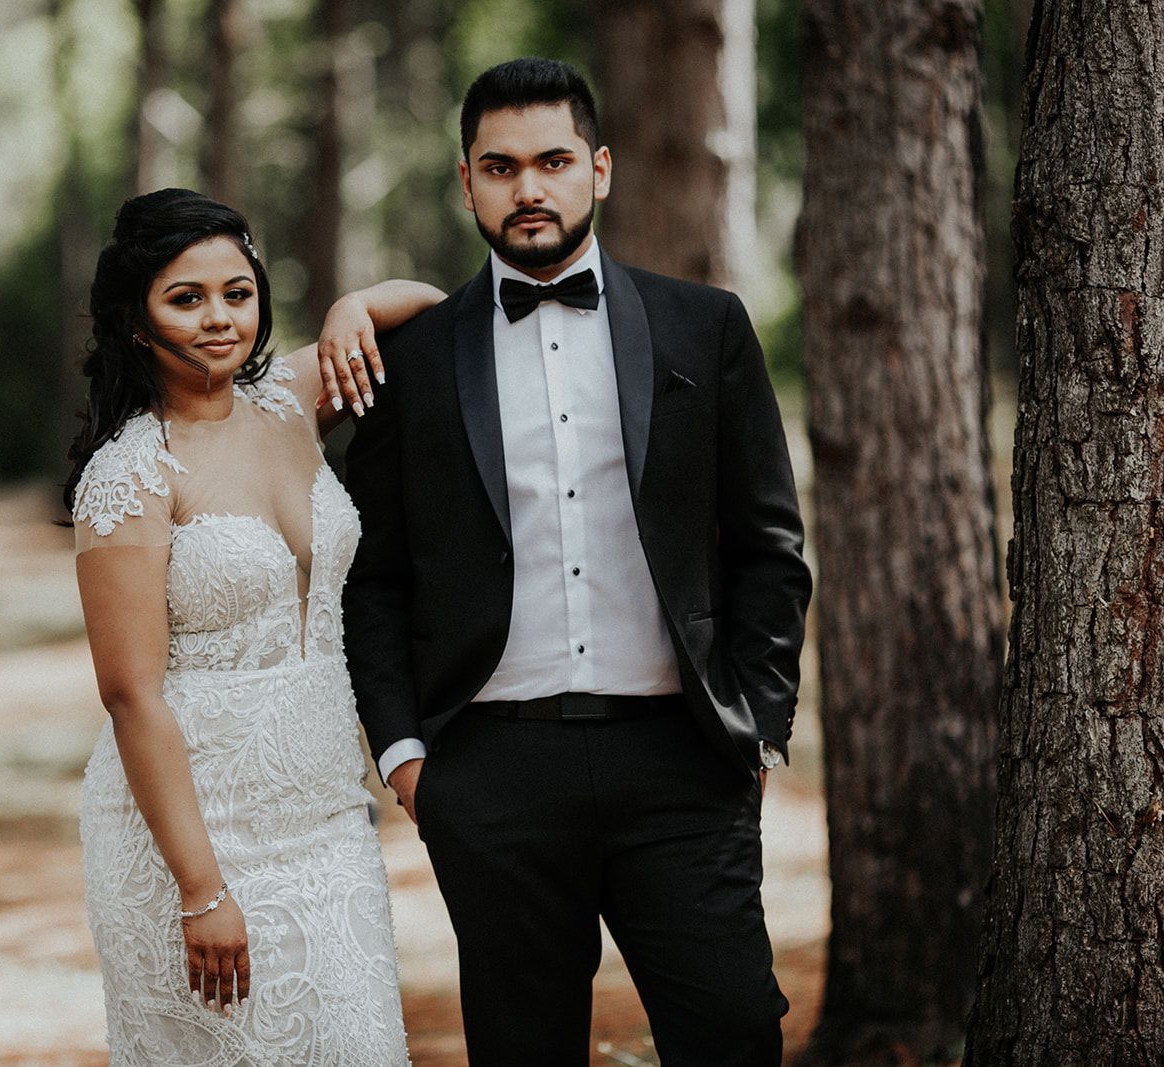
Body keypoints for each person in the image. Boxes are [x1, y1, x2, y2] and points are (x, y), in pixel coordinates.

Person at [343, 58, 812, 1066]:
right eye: (500, 166)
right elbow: (373, 578)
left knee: (734, 1031)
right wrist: (406, 758)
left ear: (598, 169)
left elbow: (768, 545)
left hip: (681, 760)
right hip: (490, 772)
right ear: (465, 181)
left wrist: (756, 729)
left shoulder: (706, 326)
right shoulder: (412, 361)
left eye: (553, 160)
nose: (529, 189)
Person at [65, 187, 441, 1066]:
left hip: (325, 817)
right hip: (192, 835)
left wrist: (351, 308)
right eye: (185, 298)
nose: (219, 318)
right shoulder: (131, 475)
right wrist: (201, 890)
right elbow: (131, 697)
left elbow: (431, 307)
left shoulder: (289, 400)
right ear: (135, 321)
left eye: (237, 292)